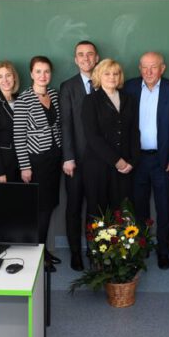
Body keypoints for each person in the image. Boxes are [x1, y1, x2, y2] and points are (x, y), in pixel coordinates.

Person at [124, 51, 169, 270]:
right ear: (139, 68)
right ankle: (141, 249)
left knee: (164, 208)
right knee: (138, 208)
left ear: (162, 68)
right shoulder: (129, 88)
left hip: (164, 161)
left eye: (154, 66)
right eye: (145, 67)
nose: (149, 71)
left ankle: (163, 251)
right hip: (136, 160)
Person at [13, 56, 63, 270]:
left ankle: (43, 251)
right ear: (31, 74)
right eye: (38, 71)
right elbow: (18, 136)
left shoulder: (54, 94)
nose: (43, 75)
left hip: (54, 158)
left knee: (49, 206)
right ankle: (38, 255)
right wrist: (25, 166)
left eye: (47, 71)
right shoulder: (24, 100)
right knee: (40, 208)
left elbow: (58, 126)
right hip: (36, 160)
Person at [58, 40, 100, 272]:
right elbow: (65, 124)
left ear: (97, 58)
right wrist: (68, 157)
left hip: (100, 162)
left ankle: (94, 251)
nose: (86, 58)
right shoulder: (68, 86)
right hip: (75, 160)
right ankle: (75, 253)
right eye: (81, 55)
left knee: (96, 208)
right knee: (73, 208)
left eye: (90, 54)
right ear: (75, 60)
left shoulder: (106, 82)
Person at [80, 59, 139, 219]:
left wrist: (132, 161)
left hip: (125, 167)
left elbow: (134, 132)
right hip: (98, 165)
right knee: (98, 213)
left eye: (116, 73)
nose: (112, 77)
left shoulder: (129, 99)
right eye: (107, 73)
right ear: (99, 75)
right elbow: (92, 136)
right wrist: (117, 161)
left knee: (123, 212)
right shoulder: (90, 101)